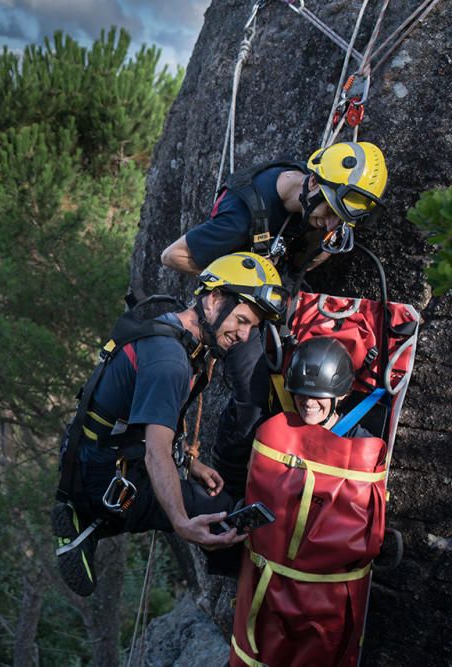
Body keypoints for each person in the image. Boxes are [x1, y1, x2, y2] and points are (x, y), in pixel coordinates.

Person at [159, 141, 387, 497]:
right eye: (329, 212)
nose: (329, 224)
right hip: (240, 305)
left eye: (339, 219)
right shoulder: (243, 215)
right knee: (253, 395)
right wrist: (240, 284)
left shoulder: (312, 198)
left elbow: (313, 252)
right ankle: (228, 488)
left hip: (278, 296)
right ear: (312, 183)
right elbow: (173, 255)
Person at [52, 252, 287, 597]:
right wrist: (181, 523)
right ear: (214, 299)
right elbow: (155, 452)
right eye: (241, 320)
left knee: (207, 500)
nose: (243, 334)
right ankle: (93, 515)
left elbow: (140, 424)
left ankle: (88, 520)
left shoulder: (174, 329)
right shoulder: (170, 361)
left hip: (95, 455)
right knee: (222, 519)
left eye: (251, 326)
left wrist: (191, 465)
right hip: (106, 474)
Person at [285, 336, 372, 438]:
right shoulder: (282, 427)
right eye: (302, 393)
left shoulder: (359, 442)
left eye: (318, 395)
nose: (309, 402)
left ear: (341, 394)